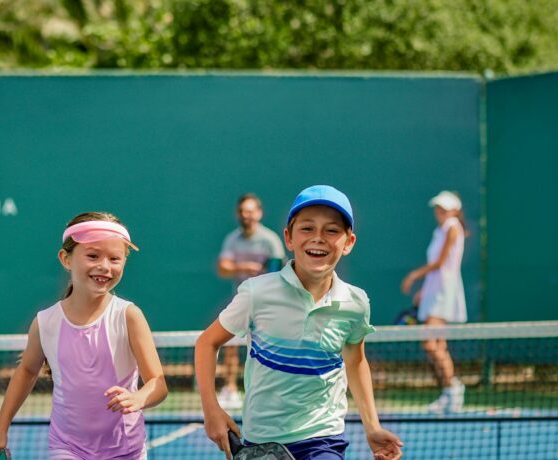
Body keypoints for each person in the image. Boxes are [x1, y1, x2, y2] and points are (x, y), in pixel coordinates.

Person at [196, 185, 403, 460]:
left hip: (323, 438)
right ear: (289, 238)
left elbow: (355, 360)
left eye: (331, 230)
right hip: (262, 440)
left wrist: (372, 426)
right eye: (307, 228)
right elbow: (207, 343)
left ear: (349, 242)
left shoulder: (356, 303)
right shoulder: (256, 293)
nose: (318, 238)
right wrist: (212, 411)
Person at [0, 212, 168, 460]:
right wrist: (1, 427)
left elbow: (158, 383)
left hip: (127, 450)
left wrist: (138, 397)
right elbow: (27, 371)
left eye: (115, 258)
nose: (104, 266)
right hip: (66, 447)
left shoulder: (129, 316)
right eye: (92, 256)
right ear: (65, 259)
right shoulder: (45, 322)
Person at [216, 193, 286, 409]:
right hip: (241, 299)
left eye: (251, 211)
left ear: (259, 213)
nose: (247, 215)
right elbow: (223, 267)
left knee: (271, 344)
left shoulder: (270, 240)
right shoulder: (232, 239)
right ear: (239, 214)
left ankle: (273, 389)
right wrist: (244, 268)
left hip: (268, 302)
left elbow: (279, 268)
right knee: (229, 343)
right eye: (243, 211)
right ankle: (230, 389)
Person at [401, 190, 467, 414]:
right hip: (435, 289)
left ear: (454, 210)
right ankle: (449, 392)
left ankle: (453, 388)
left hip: (444, 291)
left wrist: (413, 276)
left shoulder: (452, 227)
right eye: (438, 208)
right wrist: (424, 291)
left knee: (430, 342)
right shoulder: (440, 230)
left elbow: (440, 263)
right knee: (438, 345)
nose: (440, 212)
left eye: (444, 208)